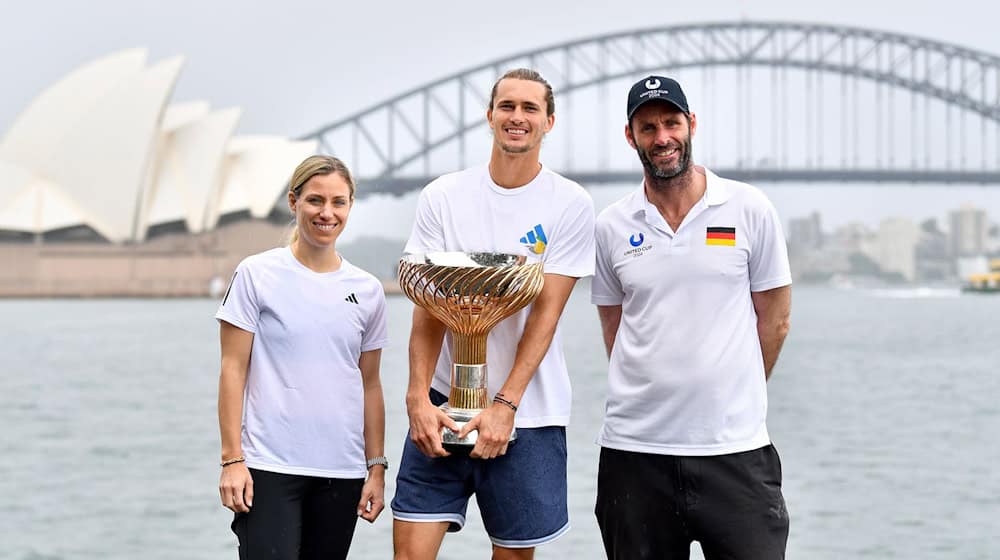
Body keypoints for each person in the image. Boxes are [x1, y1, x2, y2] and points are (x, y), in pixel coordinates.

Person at [391, 68, 595, 560]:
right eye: (507, 106)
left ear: (549, 121)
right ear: (489, 116)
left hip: (528, 413)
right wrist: (418, 397)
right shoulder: (443, 196)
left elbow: (545, 316)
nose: (517, 117)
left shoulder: (570, 203)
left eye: (530, 109)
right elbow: (428, 309)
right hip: (442, 404)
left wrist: (505, 406)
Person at [591, 75, 793, 559]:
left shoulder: (748, 208)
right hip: (635, 454)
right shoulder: (611, 226)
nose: (662, 138)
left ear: (691, 124)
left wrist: (731, 387)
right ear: (630, 136)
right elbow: (614, 327)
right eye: (648, 127)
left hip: (735, 452)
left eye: (671, 123)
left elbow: (776, 319)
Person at [215, 155, 389, 559]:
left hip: (340, 471)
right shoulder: (256, 274)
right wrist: (231, 460)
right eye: (315, 201)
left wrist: (376, 467)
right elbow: (232, 368)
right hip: (268, 466)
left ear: (349, 207)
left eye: (338, 202)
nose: (326, 213)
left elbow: (370, 383)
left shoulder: (367, 290)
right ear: (293, 202)